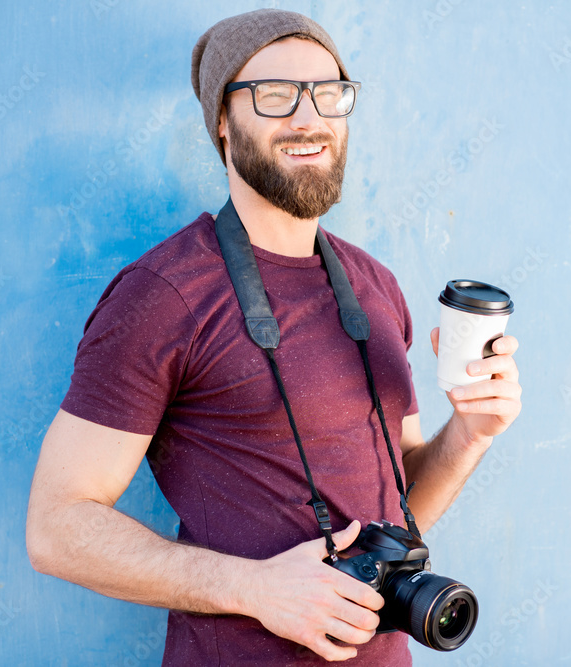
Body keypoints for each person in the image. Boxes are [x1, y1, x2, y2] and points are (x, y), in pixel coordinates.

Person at [26, 8, 521, 666]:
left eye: (328, 92)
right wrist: (252, 586)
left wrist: (470, 434)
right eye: (276, 94)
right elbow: (55, 527)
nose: (309, 117)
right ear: (224, 124)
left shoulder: (376, 287)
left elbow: (397, 515)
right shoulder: (162, 295)